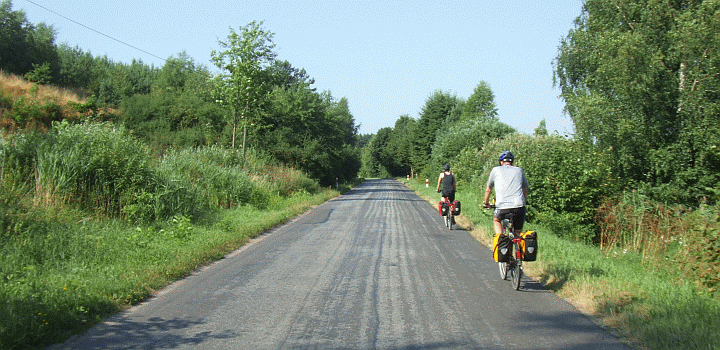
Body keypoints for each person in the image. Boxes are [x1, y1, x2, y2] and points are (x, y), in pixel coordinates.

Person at [483, 151, 529, 236]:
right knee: (518, 233)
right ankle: (519, 246)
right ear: (512, 162)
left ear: (501, 162)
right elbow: (525, 189)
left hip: (502, 206)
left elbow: (488, 189)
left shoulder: (495, 170)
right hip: (519, 206)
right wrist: (523, 201)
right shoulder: (519, 170)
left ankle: (500, 238)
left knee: (496, 220)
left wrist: (486, 203)